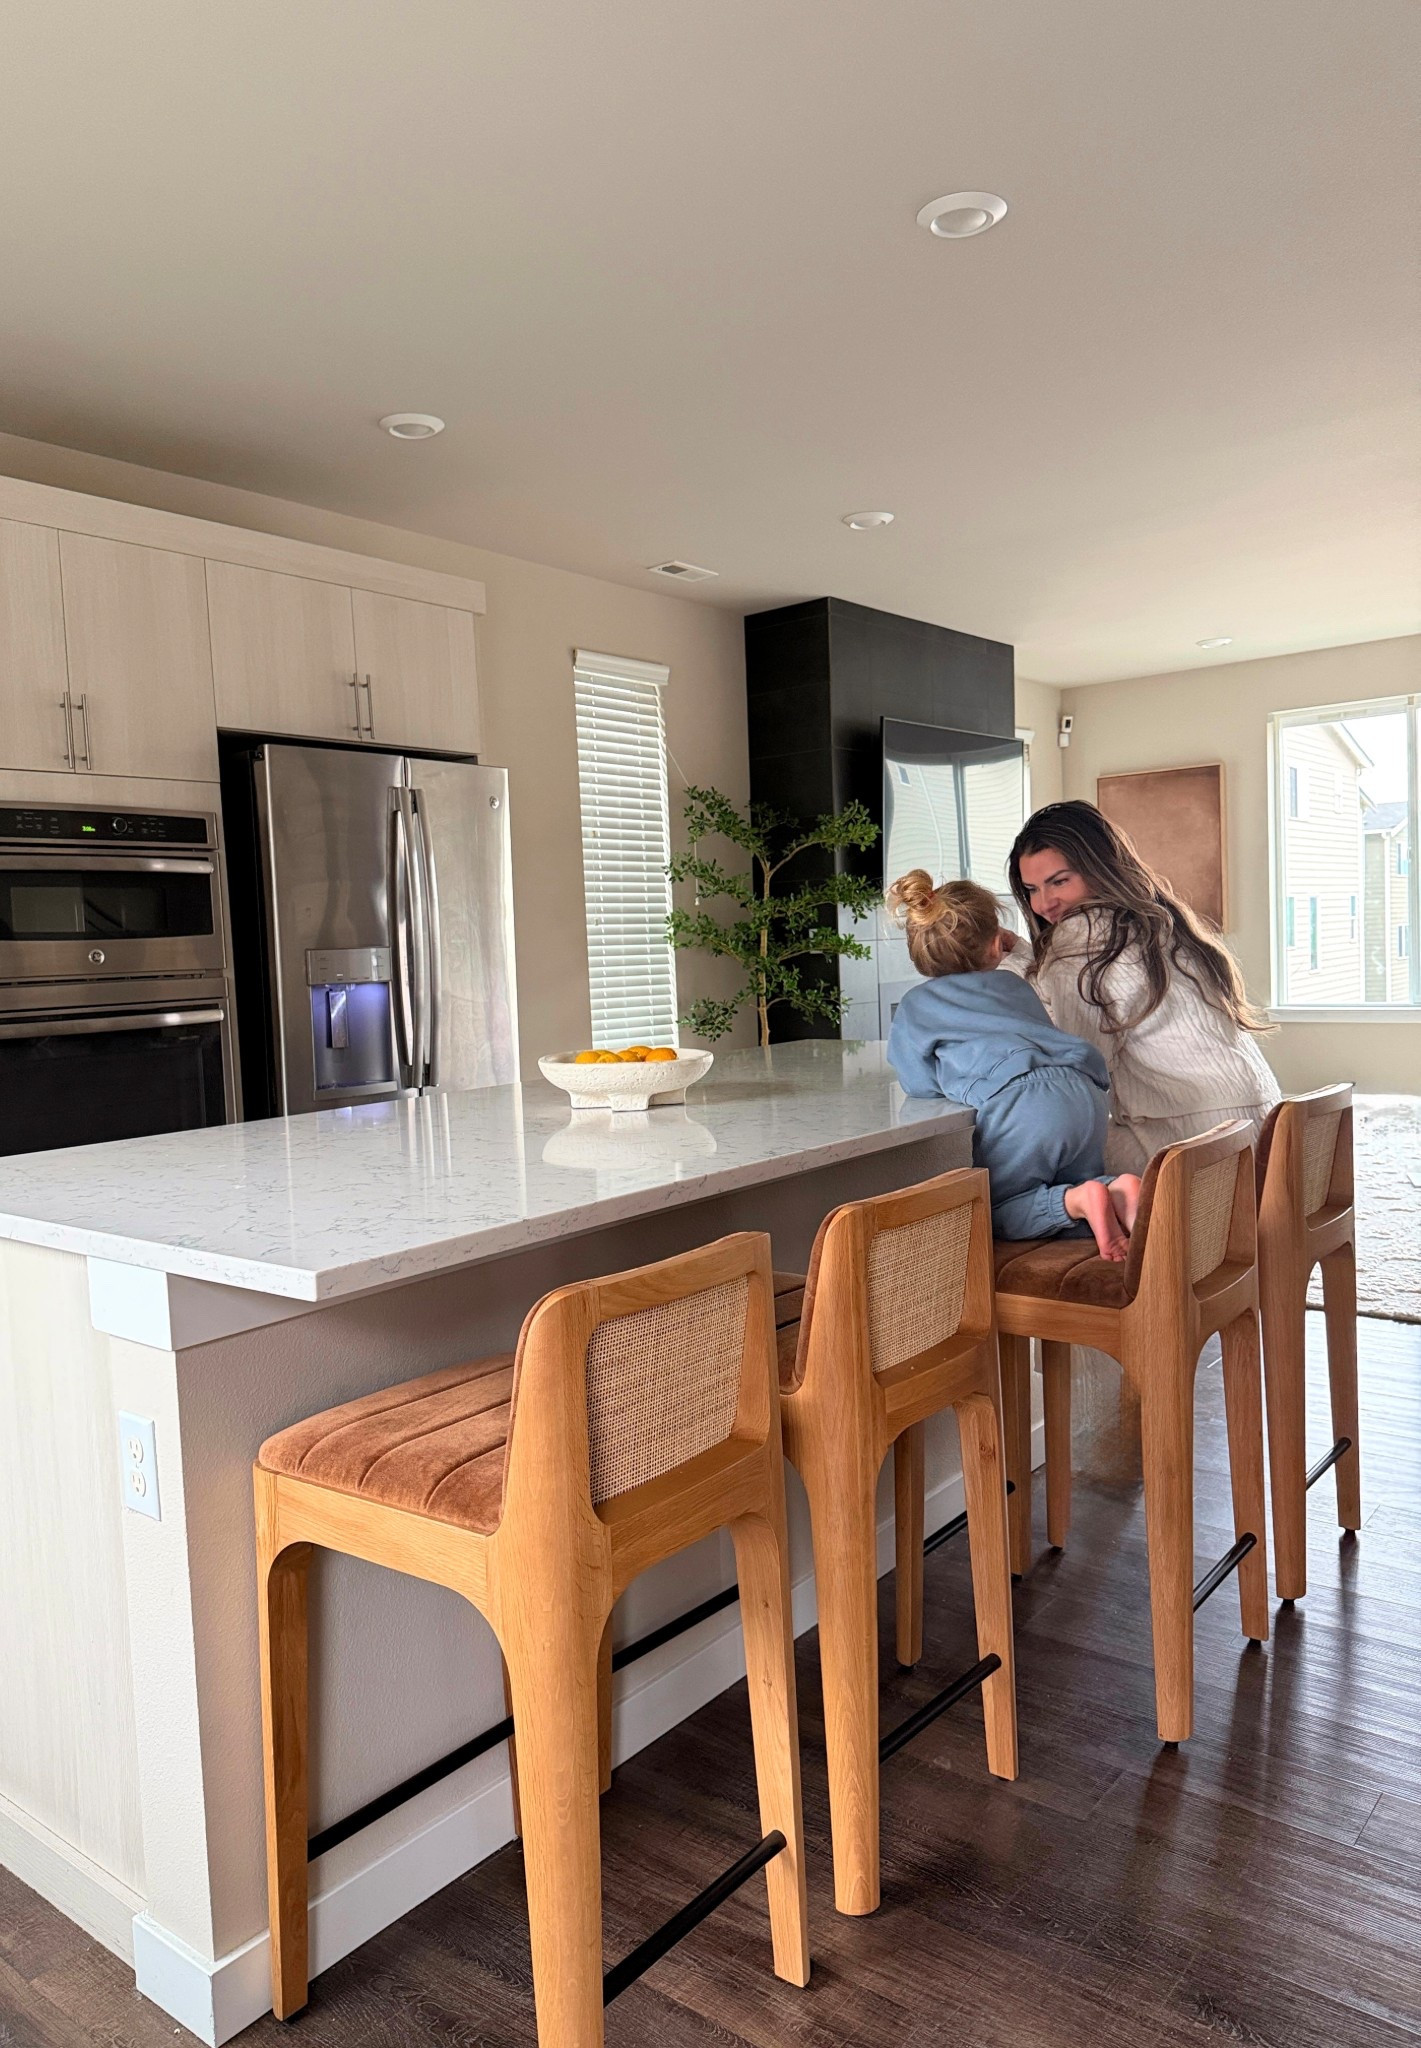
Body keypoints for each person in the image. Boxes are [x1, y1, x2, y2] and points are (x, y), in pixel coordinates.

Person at [1004, 800, 1280, 1173]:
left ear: (1098, 868)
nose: (1044, 904)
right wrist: (1024, 959)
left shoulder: (1082, 934)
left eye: (1059, 881)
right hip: (1256, 1127)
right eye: (1032, 889)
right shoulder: (1159, 922)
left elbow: (1082, 1061)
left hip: (1193, 1143)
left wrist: (1004, 970)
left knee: (1026, 1172)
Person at [885, 869, 1141, 1259]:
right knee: (1071, 1184)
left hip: (1020, 1105)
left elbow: (917, 1082)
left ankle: (1083, 1199)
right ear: (995, 945)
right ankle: (1117, 1190)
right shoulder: (1014, 984)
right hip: (1082, 1090)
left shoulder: (916, 1006)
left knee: (994, 1208)